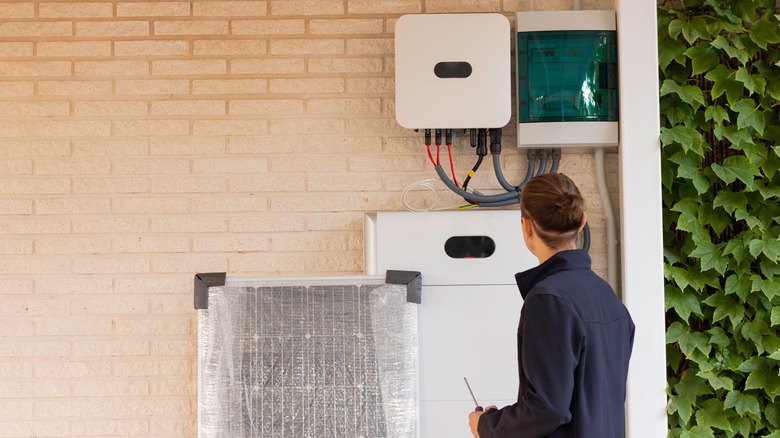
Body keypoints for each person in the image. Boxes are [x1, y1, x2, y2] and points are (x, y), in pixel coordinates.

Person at [468, 173, 635, 438]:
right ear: (582, 223)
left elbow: (548, 409)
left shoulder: (548, 300)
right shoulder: (607, 297)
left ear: (527, 227)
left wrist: (486, 425)